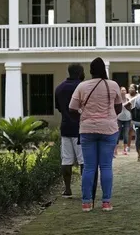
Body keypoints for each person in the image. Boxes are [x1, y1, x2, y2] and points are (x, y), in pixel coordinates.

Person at [69, 57, 122, 212]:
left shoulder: (82, 86)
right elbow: (118, 107)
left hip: (87, 129)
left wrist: (83, 118)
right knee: (106, 166)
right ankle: (106, 202)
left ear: (90, 71)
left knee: (89, 167)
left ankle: (86, 202)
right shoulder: (113, 85)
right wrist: (109, 115)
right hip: (109, 129)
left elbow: (72, 108)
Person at [55, 63, 85, 198]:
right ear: (80, 73)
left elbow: (60, 108)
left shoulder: (59, 88)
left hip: (66, 126)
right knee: (84, 161)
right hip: (81, 128)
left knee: (66, 160)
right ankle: (86, 188)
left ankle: (67, 189)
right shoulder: (83, 87)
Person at [116, 87, 132, 157]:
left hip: (127, 118)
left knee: (126, 134)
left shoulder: (128, 99)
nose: (123, 91)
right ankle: (115, 150)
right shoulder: (118, 99)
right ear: (120, 91)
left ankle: (125, 150)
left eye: (124, 90)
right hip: (119, 118)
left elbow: (131, 108)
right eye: (122, 90)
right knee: (118, 134)